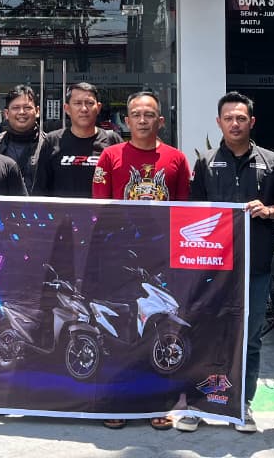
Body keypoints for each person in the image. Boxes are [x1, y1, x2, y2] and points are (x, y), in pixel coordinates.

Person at [176, 91, 274, 435]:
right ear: (219, 122)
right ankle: (197, 403)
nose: (235, 124)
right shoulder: (206, 162)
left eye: (241, 118)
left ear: (251, 122)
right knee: (204, 333)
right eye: (228, 118)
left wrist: (269, 210)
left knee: (250, 338)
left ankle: (242, 402)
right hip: (212, 269)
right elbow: (192, 211)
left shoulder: (271, 162)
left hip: (255, 267)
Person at [91, 88, 190, 431]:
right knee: (118, 331)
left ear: (160, 121)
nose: (143, 120)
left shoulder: (177, 159)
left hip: (160, 261)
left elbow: (183, 211)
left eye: (149, 115)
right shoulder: (110, 157)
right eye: (136, 115)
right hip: (117, 262)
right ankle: (115, 401)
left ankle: (156, 403)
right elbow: (99, 210)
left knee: (158, 329)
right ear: (126, 120)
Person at [32, 82, 121, 198]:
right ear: (67, 109)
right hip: (62, 210)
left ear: (98, 107)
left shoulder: (113, 141)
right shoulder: (52, 141)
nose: (84, 109)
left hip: (102, 210)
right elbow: (40, 191)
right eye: (77, 103)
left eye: (89, 103)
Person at [0, 85, 43, 193]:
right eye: (15, 108)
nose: (21, 112)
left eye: (27, 108)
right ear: (6, 114)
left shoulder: (50, 146)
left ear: (37, 111)